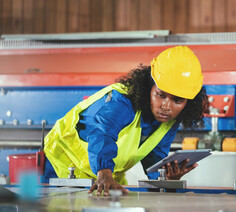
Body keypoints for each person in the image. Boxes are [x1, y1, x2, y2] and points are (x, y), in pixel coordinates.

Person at [43, 46, 209, 196]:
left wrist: (165, 177)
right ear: (149, 86)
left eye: (177, 100)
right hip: (64, 160)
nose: (166, 106)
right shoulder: (122, 101)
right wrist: (104, 171)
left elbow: (154, 155)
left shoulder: (168, 120)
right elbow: (103, 132)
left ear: (188, 102)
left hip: (106, 172)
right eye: (160, 95)